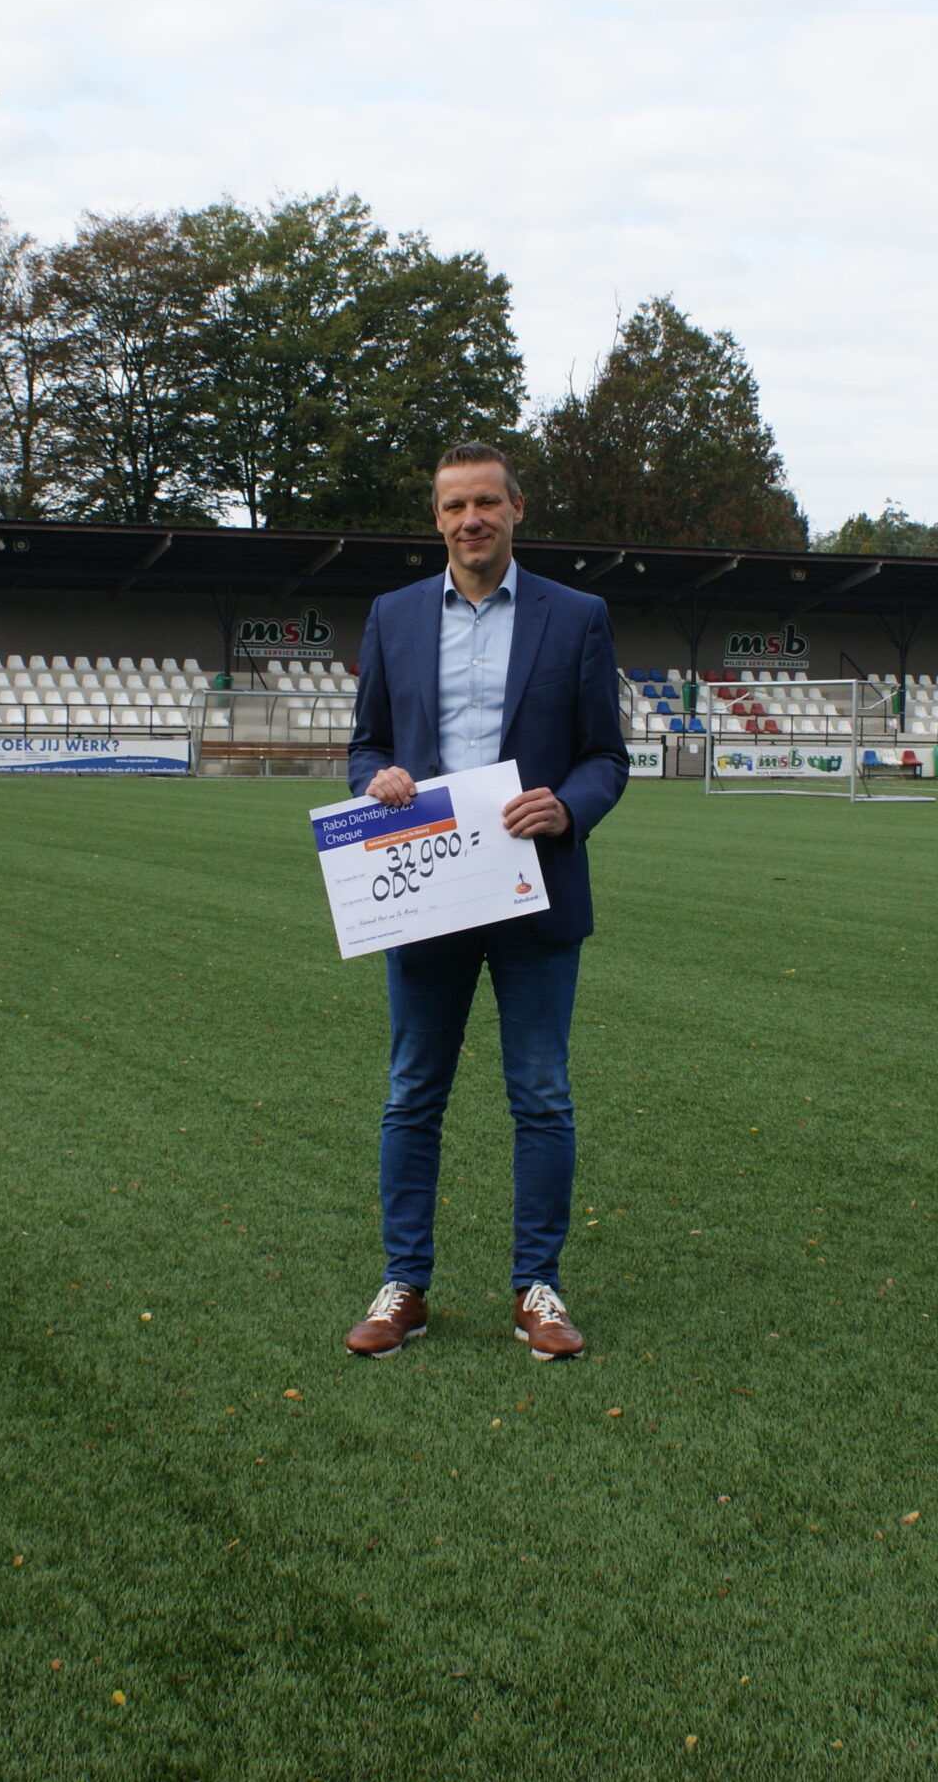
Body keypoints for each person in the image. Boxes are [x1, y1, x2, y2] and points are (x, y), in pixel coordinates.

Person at [342, 443, 630, 1361]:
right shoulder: (390, 617)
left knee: (541, 1095)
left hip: (534, 889)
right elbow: (366, 744)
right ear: (436, 518)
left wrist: (567, 807)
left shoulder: (577, 616)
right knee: (411, 1092)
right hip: (425, 889)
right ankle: (404, 1284)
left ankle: (537, 1287)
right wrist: (376, 778)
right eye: (454, 506)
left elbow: (606, 757)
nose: (471, 520)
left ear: (516, 510)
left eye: (486, 504)